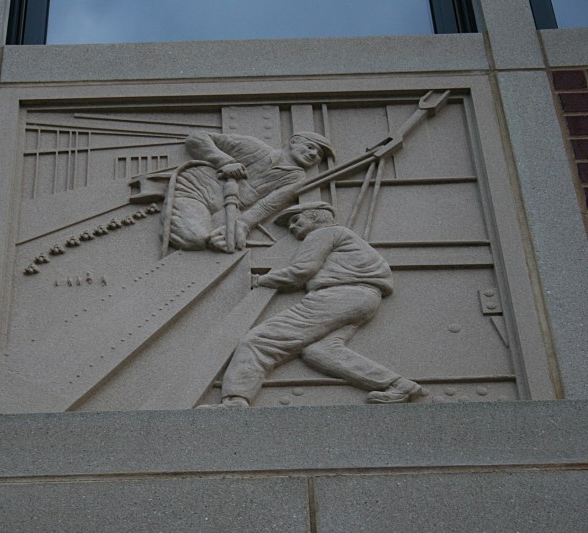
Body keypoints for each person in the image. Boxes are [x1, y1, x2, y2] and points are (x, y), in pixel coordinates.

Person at [203, 201, 423, 408]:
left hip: (337, 296)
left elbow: (301, 272)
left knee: (258, 342)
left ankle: (235, 402)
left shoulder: (323, 233)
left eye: (296, 220)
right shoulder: (347, 237)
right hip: (363, 299)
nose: (292, 227)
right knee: (320, 352)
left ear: (316, 216)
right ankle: (398, 385)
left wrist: (258, 280)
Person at [166, 130, 334, 251]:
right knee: (193, 239)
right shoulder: (254, 147)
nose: (314, 155)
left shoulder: (296, 178)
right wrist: (223, 161)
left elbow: (266, 207)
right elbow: (197, 137)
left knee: (221, 239)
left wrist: (242, 226)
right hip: (196, 190)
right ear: (294, 141)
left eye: (319, 155)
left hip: (229, 207)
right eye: (311, 147)